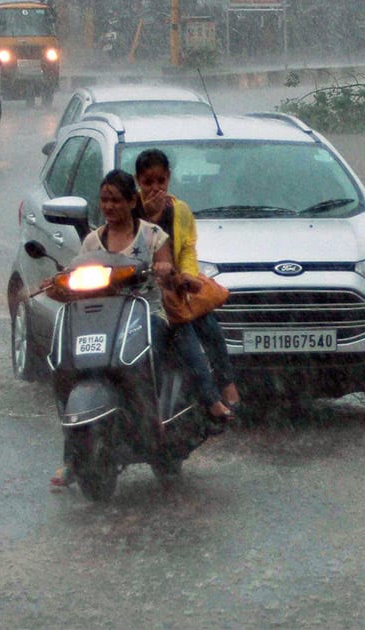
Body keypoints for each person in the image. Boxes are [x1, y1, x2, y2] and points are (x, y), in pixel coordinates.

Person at [49, 169, 233, 489]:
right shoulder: (93, 239)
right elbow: (77, 270)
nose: (109, 206)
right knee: (66, 364)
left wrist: (163, 268)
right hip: (104, 313)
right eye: (104, 200)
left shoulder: (151, 236)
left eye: (116, 200)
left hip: (146, 310)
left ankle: (154, 423)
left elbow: (167, 272)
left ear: (132, 201)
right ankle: (71, 456)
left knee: (144, 360)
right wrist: (58, 281)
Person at [134, 148, 242, 413]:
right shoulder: (132, 212)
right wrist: (146, 216)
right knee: (187, 335)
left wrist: (188, 276)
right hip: (149, 295)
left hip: (177, 288)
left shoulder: (180, 210)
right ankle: (210, 399)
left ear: (168, 178)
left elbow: (187, 249)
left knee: (209, 326)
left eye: (160, 181)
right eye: (148, 182)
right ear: (138, 181)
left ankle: (226, 383)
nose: (155, 188)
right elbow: (127, 248)